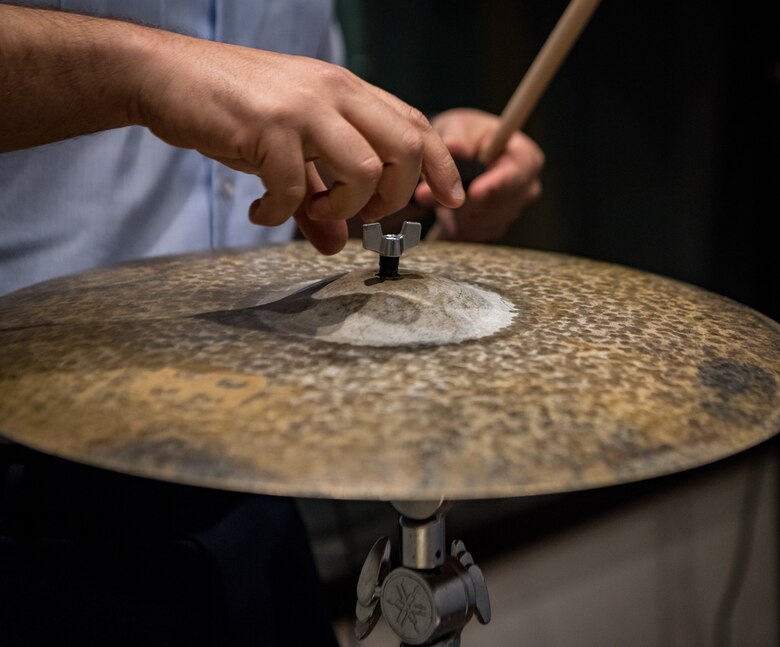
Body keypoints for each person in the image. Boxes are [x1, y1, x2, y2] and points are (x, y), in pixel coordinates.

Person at [0, 2, 544, 645]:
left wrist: (405, 169)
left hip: (249, 485)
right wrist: (150, 73)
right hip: (26, 498)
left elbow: (296, 191)